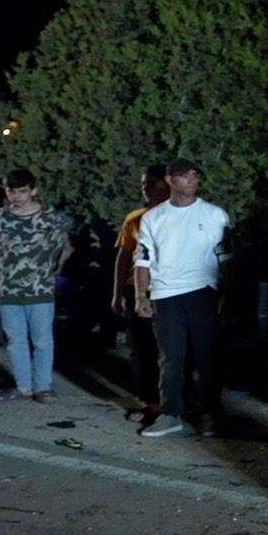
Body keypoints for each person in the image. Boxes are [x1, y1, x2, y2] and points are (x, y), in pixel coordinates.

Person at [132, 158, 231, 438]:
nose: (192, 180)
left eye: (194, 175)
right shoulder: (152, 218)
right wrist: (142, 295)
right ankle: (170, 414)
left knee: (207, 356)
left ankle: (211, 413)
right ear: (170, 181)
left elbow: (226, 259)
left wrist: (227, 295)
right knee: (171, 358)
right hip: (165, 295)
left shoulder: (215, 214)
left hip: (203, 291)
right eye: (184, 176)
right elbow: (143, 261)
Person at [0, 169, 73, 402]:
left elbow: (65, 248)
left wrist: (52, 269)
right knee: (15, 340)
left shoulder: (51, 218)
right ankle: (23, 387)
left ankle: (43, 386)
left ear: (33, 190)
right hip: (8, 288)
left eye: (22, 191)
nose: (17, 196)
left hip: (40, 288)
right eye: (12, 191)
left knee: (42, 339)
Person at [112, 163, 168, 416]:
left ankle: (174, 399)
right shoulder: (134, 219)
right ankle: (149, 401)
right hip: (137, 290)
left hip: (169, 291)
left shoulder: (180, 218)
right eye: (142, 184)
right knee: (142, 348)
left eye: (149, 184)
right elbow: (124, 257)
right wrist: (117, 294)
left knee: (170, 350)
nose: (144, 189)